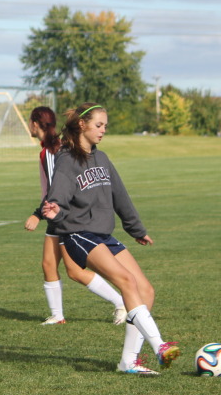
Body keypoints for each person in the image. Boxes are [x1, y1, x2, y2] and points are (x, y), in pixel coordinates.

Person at [42, 103, 180, 375]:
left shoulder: (102, 159)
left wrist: (136, 229)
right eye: (99, 125)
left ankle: (128, 362)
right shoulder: (67, 159)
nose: (103, 130)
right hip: (78, 234)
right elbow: (58, 193)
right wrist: (54, 209)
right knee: (126, 281)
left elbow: (121, 196)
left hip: (104, 234)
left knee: (146, 291)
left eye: (105, 125)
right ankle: (160, 345)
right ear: (82, 125)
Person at [24, 106, 130, 327]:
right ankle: (57, 314)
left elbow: (57, 189)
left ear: (35, 124)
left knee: (74, 270)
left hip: (65, 215)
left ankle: (121, 301)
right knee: (50, 264)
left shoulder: (53, 151)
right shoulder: (48, 148)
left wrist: (37, 214)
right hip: (59, 213)